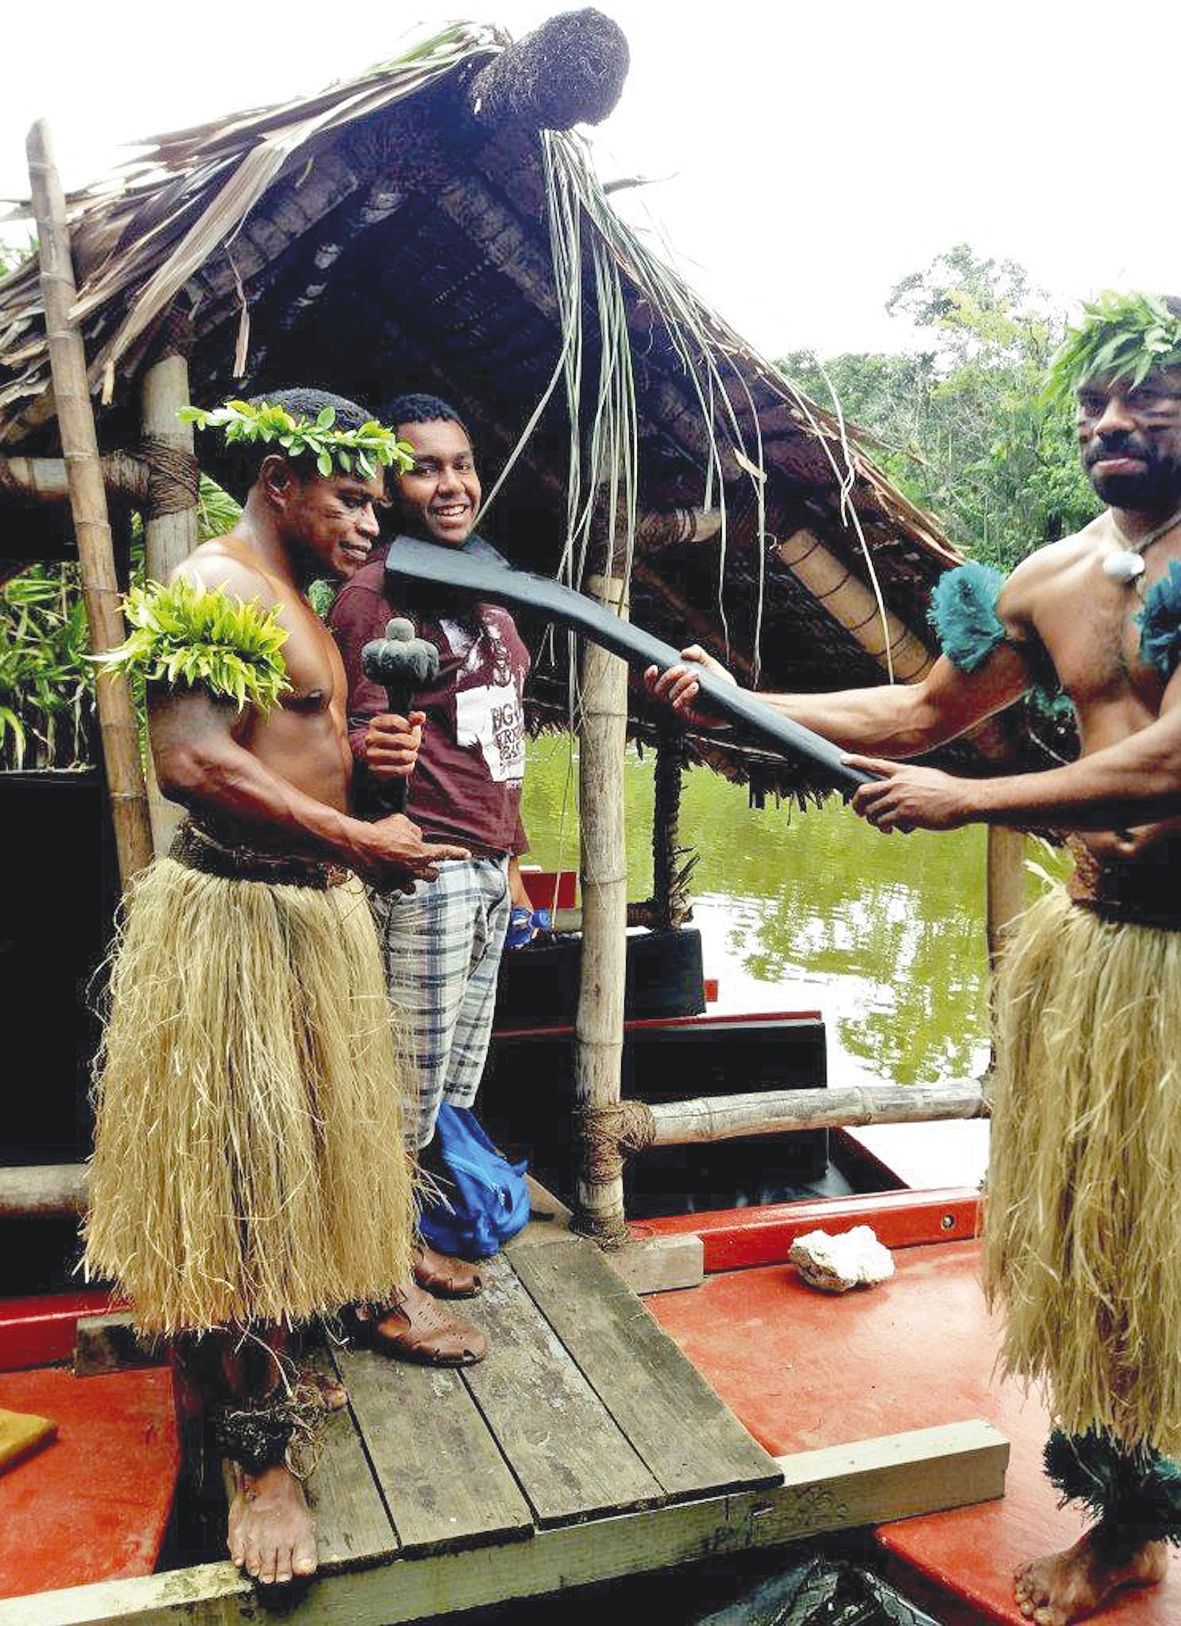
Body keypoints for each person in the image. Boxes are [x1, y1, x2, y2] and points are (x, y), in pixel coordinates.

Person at [647, 293, 1181, 1625]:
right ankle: (1131, 1520)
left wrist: (973, 803)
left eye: (1144, 404)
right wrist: (740, 697)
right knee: (1103, 1243)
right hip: (1106, 950)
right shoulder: (1051, 579)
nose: (1110, 427)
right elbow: (921, 710)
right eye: (1092, 410)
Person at [85, 389, 469, 1587]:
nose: (372, 516)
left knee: (307, 1158)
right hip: (238, 924)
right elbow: (192, 762)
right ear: (278, 485)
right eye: (350, 496)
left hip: (306, 917)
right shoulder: (213, 585)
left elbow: (280, 752)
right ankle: (257, 1459)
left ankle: (322, 1322)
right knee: (245, 1180)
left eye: (376, 496)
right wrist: (360, 842)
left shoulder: (294, 601)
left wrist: (368, 771)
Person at [329, 392, 540, 1366]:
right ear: (387, 483)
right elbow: (352, 745)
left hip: (489, 866)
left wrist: (514, 852)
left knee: (444, 1086)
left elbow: (499, 730)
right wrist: (387, 819)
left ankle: (401, 1242)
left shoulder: (486, 587)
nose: (449, 483)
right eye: (424, 467)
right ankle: (377, 1289)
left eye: (460, 463)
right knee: (397, 1093)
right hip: (425, 871)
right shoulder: (378, 595)